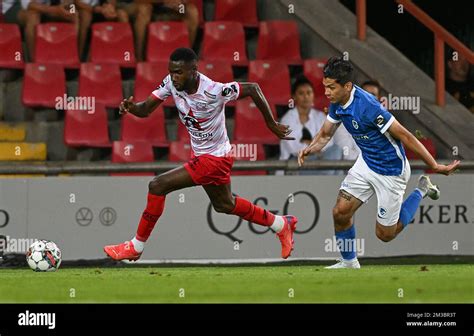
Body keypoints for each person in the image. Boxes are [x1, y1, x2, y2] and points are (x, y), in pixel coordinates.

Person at [104, 48, 298, 261]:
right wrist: (132, 108)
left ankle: (136, 246)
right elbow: (146, 109)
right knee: (225, 205)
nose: (174, 77)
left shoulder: (214, 91)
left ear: (194, 70)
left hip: (215, 159)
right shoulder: (170, 83)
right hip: (206, 156)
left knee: (157, 185)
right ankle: (281, 224)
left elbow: (253, 88)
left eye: (179, 72)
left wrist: (270, 123)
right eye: (171, 72)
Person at [298, 56, 460, 269]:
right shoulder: (337, 101)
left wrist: (435, 165)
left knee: (385, 234)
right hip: (366, 163)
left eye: (331, 87)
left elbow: (406, 136)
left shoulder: (368, 106)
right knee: (340, 212)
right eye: (325, 87)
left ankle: (421, 190)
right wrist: (309, 149)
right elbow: (326, 134)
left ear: (347, 86)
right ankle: (349, 262)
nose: (326, 92)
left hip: (391, 170)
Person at [279, 76, 345, 175]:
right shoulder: (287, 119)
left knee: (337, 149)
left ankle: (327, 176)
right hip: (296, 163)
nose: (305, 97)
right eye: (301, 93)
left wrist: (308, 143)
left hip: (318, 160)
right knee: (335, 170)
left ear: (313, 95)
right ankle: (328, 178)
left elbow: (328, 142)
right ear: (294, 96)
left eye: (309, 93)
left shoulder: (320, 117)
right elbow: (294, 148)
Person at [10, 0, 78, 62]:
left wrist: (68, 5)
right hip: (16, 7)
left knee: (74, 14)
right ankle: (33, 63)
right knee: (33, 16)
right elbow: (27, 4)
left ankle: (73, 60)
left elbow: (69, 3)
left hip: (46, 8)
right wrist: (55, 9)